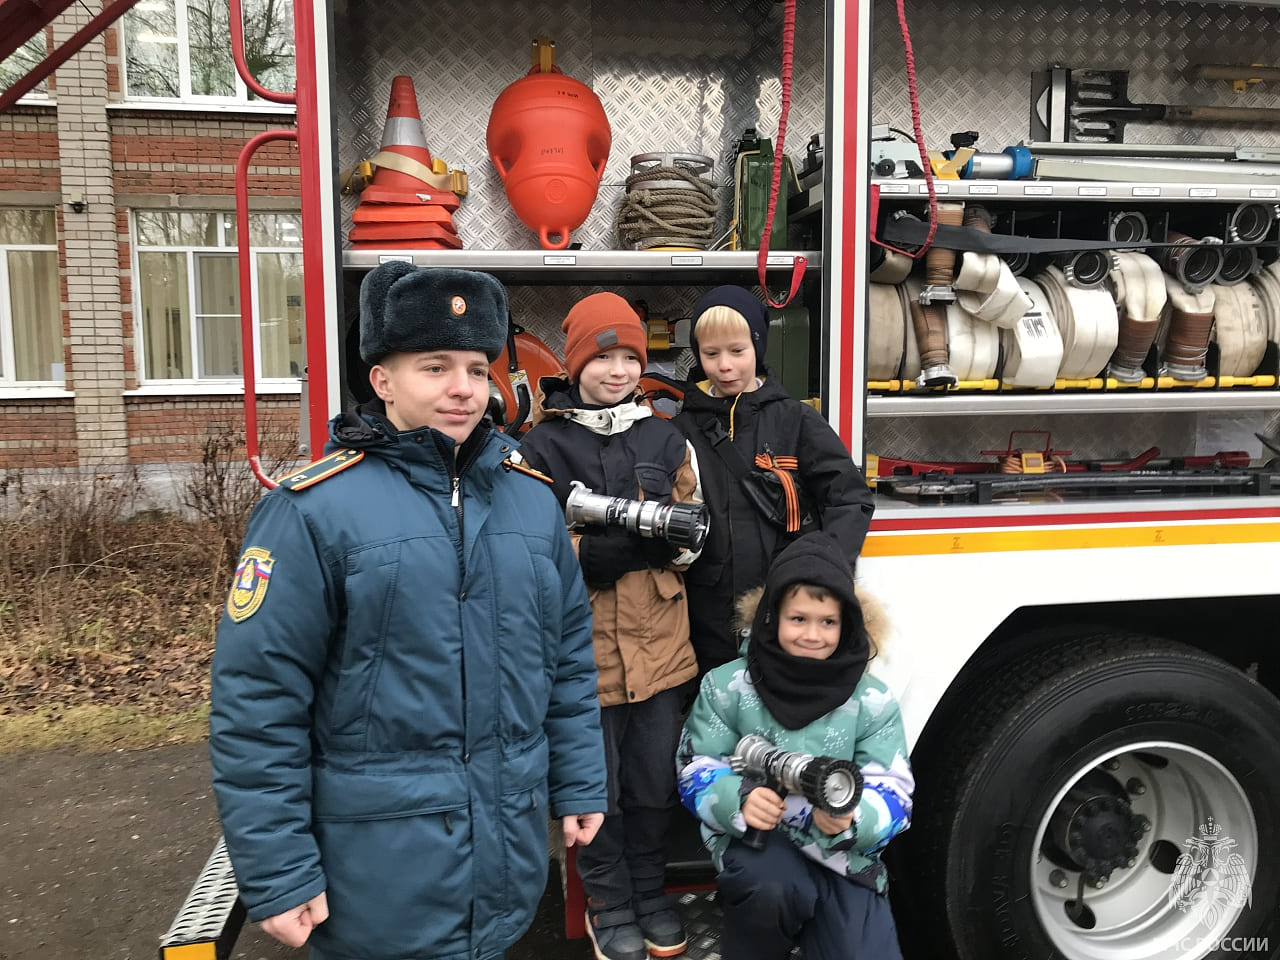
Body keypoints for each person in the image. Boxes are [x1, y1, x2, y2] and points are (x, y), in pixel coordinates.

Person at [209, 261, 607, 960]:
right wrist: (278, 871)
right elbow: (258, 702)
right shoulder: (312, 513)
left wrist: (577, 781)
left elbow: (568, 658)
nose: (463, 388)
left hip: (503, 866)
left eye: (477, 368)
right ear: (382, 381)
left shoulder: (530, 498)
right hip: (375, 880)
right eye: (434, 367)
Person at [515, 291, 699, 960]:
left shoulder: (666, 436)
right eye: (602, 358)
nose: (617, 371)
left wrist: (669, 543)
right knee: (595, 789)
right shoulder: (541, 444)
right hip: (583, 657)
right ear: (575, 365)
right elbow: (520, 546)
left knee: (652, 785)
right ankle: (608, 903)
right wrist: (582, 554)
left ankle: (650, 894)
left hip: (659, 651)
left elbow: (694, 526)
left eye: (629, 357)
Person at [676, 532, 914, 960]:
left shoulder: (871, 700)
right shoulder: (727, 686)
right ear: (771, 617)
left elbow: (894, 787)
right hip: (761, 844)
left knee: (863, 951)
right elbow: (695, 764)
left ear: (848, 624)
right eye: (798, 619)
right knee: (770, 889)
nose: (812, 635)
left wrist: (854, 819)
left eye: (828, 622)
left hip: (844, 856)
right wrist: (737, 799)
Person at [672, 285, 875, 671]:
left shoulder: (796, 420)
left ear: (758, 347)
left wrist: (824, 571)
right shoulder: (681, 430)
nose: (725, 366)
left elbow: (850, 498)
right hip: (706, 614)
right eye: (711, 354)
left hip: (785, 604)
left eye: (737, 351)